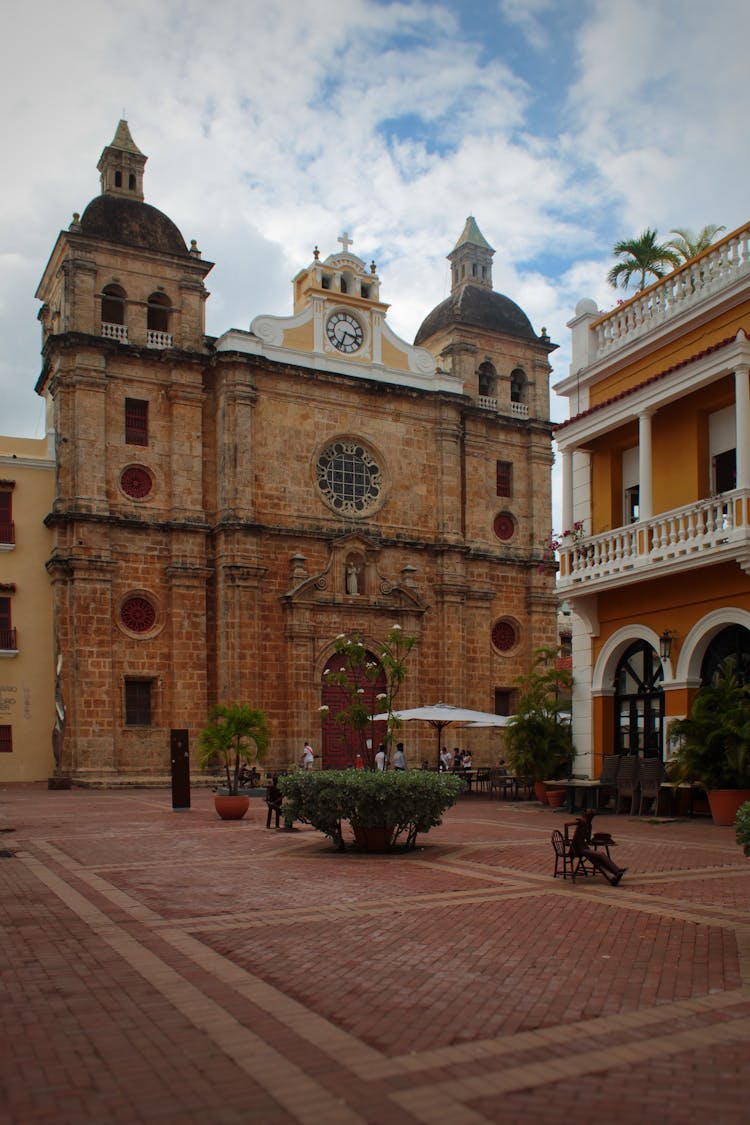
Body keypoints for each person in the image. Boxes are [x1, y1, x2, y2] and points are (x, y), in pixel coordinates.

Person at [569, 810, 627, 886]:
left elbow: (588, 839)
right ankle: (616, 871)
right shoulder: (581, 822)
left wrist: (589, 829)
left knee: (597, 861)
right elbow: (571, 826)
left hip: (584, 848)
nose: (591, 818)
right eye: (590, 816)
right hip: (578, 849)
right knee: (601, 854)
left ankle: (613, 877)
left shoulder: (587, 824)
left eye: (592, 817)